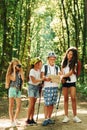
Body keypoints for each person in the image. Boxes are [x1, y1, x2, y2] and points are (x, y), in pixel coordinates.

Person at [61, 47, 82, 123]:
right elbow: (61, 72)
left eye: (71, 54)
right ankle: (66, 116)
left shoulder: (75, 62)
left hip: (72, 82)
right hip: (65, 83)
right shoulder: (64, 62)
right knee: (65, 99)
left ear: (74, 55)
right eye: (68, 54)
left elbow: (71, 72)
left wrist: (63, 76)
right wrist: (61, 77)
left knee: (73, 98)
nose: (69, 55)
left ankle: (75, 116)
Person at [41, 52, 60, 126]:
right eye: (50, 58)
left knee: (52, 103)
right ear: (48, 59)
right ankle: (45, 119)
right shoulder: (45, 66)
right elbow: (42, 76)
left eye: (53, 58)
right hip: (47, 87)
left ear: (55, 59)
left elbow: (59, 76)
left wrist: (58, 78)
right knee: (47, 103)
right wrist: (46, 78)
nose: (52, 60)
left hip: (55, 87)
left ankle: (49, 118)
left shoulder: (57, 67)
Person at [26, 57, 45, 125]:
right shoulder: (32, 71)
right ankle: (28, 119)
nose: (41, 65)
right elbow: (33, 81)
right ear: (36, 64)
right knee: (31, 103)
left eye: (41, 64)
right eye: (40, 64)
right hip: (31, 87)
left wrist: (41, 83)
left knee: (33, 104)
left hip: (37, 88)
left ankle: (32, 119)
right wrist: (42, 80)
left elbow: (40, 79)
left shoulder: (39, 71)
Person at [5, 58, 24, 127]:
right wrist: (13, 69)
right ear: (12, 65)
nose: (16, 65)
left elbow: (23, 79)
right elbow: (14, 79)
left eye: (17, 64)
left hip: (18, 90)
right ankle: (12, 121)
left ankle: (15, 119)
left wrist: (21, 70)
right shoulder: (9, 73)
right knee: (11, 106)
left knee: (19, 106)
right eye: (14, 64)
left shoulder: (19, 72)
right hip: (12, 90)